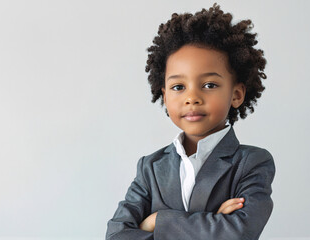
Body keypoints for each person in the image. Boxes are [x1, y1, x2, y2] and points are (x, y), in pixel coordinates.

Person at [105, 3, 275, 240]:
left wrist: (156, 221)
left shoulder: (251, 163)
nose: (192, 98)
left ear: (236, 94)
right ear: (164, 96)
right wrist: (213, 220)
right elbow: (116, 234)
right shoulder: (150, 168)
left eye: (209, 85)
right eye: (178, 87)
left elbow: (240, 232)